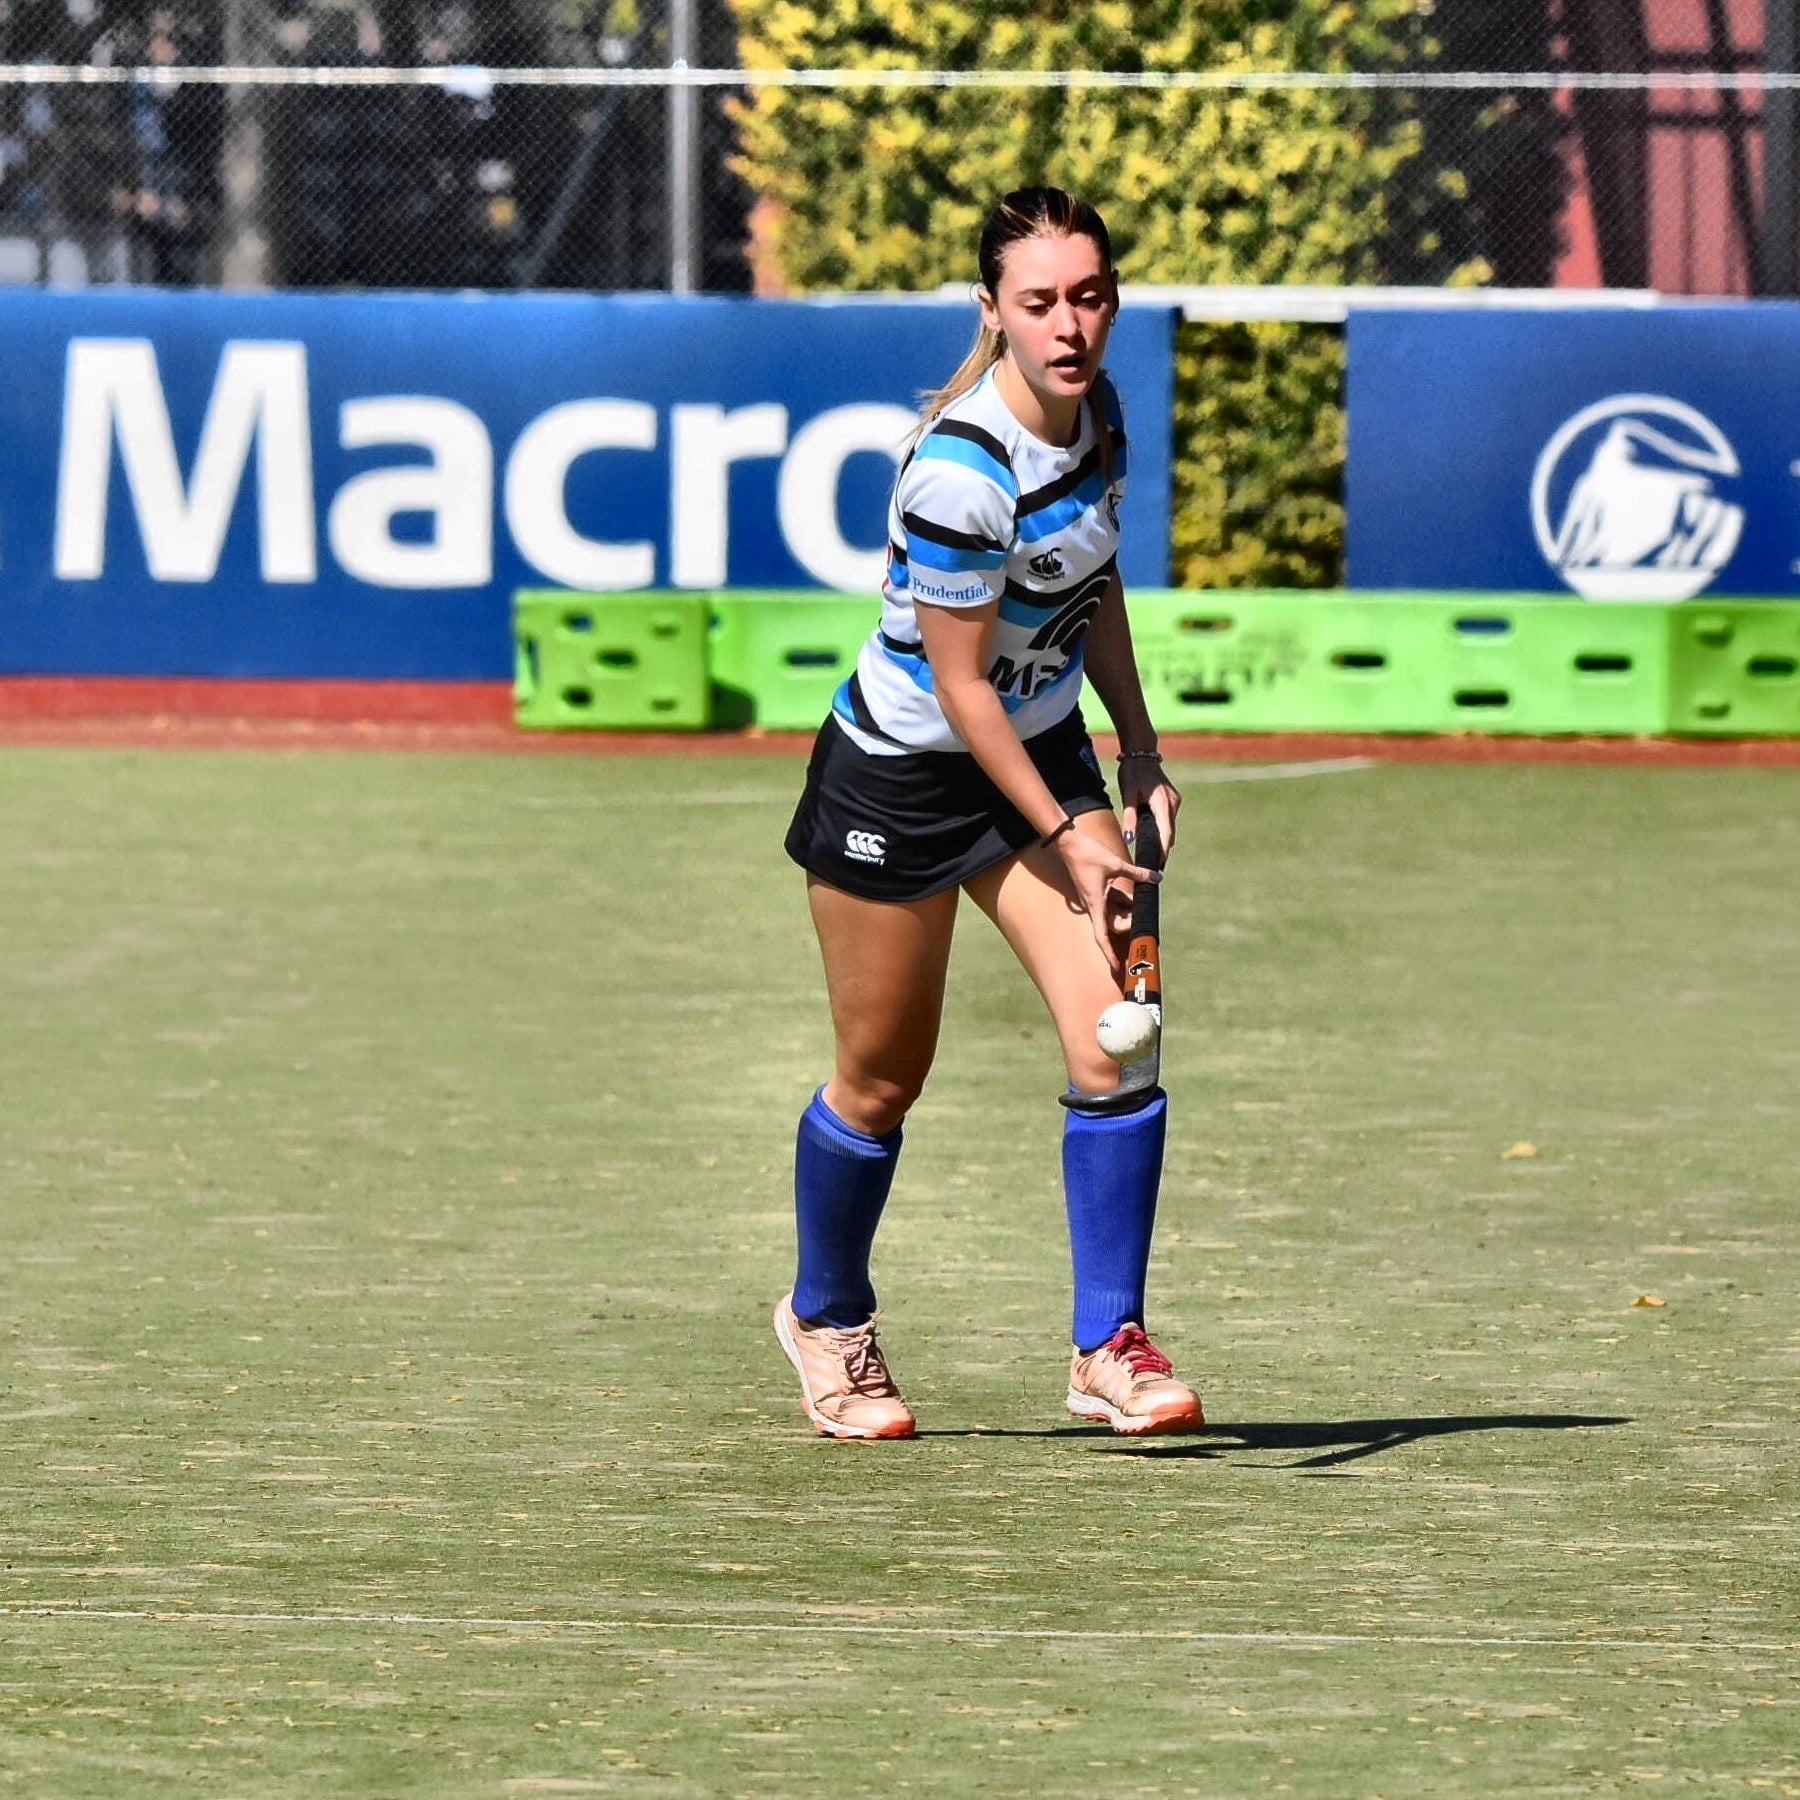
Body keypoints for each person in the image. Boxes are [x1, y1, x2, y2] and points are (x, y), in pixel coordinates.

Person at [775, 186, 1203, 1440]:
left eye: (1088, 296)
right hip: (903, 776)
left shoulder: (1099, 417)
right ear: (993, 311)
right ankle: (826, 1315)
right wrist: (1074, 834)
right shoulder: (963, 468)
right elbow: (960, 691)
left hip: (1045, 747)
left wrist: (1139, 749)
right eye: (1039, 302)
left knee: (1124, 1030)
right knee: (882, 1076)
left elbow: (1093, 584)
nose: (1069, 325)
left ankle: (1107, 1345)